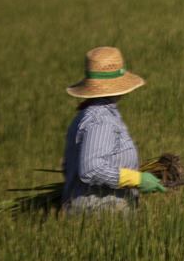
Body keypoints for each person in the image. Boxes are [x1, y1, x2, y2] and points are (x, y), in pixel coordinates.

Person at [61, 46, 164, 214]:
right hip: (99, 213)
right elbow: (91, 169)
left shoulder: (86, 115)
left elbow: (67, 167)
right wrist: (136, 179)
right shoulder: (101, 120)